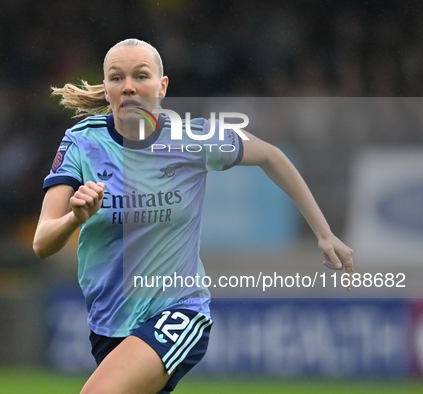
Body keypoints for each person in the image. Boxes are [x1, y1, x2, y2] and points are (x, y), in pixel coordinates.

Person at [33, 38, 353, 394]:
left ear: (162, 86)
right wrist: (74, 218)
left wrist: (324, 234)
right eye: (116, 77)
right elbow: (42, 243)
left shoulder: (191, 137)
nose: (129, 87)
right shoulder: (81, 142)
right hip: (110, 324)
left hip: (179, 310)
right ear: (106, 90)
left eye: (141, 76)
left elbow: (270, 156)